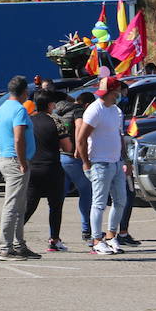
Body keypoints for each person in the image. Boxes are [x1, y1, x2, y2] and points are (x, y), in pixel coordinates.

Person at [77, 78, 127, 256]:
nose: (120, 95)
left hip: (115, 163)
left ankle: (111, 235)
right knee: (99, 204)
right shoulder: (95, 110)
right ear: (112, 92)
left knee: (120, 201)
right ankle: (97, 239)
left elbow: (118, 135)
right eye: (118, 92)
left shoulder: (115, 110)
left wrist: (124, 159)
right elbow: (81, 139)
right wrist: (86, 163)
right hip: (99, 163)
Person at [0, 75, 40, 261]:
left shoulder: (3, 107)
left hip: (6, 158)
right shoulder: (19, 110)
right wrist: (22, 162)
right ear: (24, 92)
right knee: (13, 205)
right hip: (15, 161)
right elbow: (19, 137)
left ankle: (19, 245)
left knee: (20, 206)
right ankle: (5, 248)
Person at [24, 91, 72, 251]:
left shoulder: (28, 120)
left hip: (33, 167)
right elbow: (67, 146)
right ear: (51, 105)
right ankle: (54, 240)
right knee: (55, 206)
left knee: (29, 205)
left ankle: (12, 235)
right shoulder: (56, 121)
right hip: (52, 167)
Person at [56, 92, 96, 243]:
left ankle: (54, 235)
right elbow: (79, 125)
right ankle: (87, 230)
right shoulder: (79, 110)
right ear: (87, 105)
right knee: (87, 192)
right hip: (73, 157)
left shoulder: (58, 111)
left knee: (58, 197)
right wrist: (79, 147)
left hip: (59, 157)